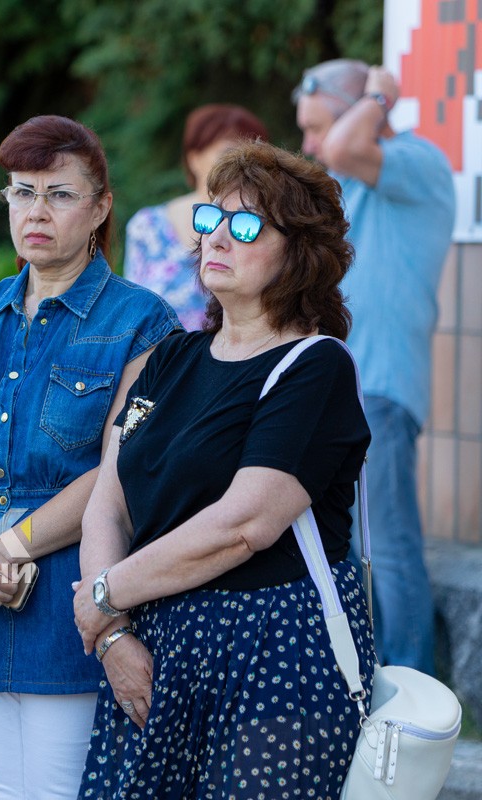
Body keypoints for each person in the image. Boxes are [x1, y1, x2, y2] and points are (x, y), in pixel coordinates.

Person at [73, 140, 375, 798]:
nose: (217, 237)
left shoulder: (314, 368)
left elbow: (244, 525)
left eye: (246, 225)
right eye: (212, 218)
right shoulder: (171, 358)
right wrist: (115, 632)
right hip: (149, 643)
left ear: (301, 252)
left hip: (274, 657)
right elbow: (109, 498)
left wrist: (103, 596)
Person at [0, 116, 180, 799]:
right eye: (21, 192)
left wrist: (2, 549)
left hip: (68, 588)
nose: (36, 211)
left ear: (100, 207)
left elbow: (122, 466)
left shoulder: (142, 321)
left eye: (59, 194)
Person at [294, 59, 454, 674]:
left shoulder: (418, 165)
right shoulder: (349, 180)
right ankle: (365, 686)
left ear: (365, 112)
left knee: (388, 547)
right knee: (347, 547)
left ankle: (412, 698)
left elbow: (341, 143)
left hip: (383, 387)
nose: (311, 144)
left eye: (316, 127)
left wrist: (381, 93)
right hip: (341, 389)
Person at [124, 103, 269, 331]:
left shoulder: (261, 226)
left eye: (252, 157)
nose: (241, 165)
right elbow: (132, 313)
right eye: (227, 153)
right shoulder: (147, 226)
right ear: (194, 159)